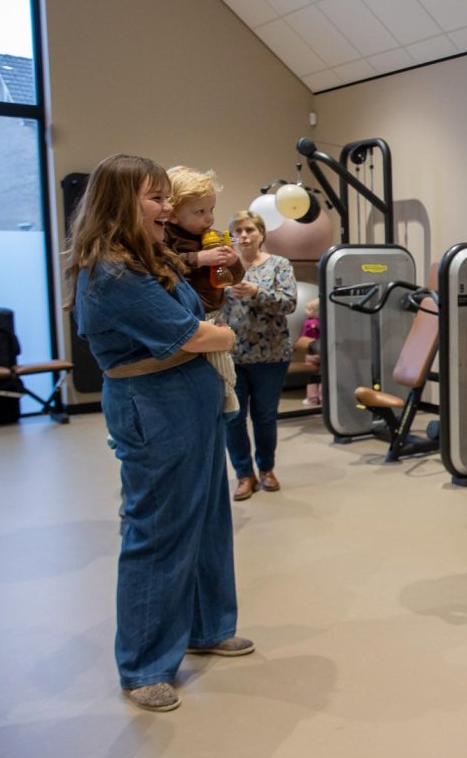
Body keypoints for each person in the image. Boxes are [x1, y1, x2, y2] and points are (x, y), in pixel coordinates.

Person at [65, 154, 252, 713]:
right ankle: (144, 663)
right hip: (155, 406)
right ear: (121, 202)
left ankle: (208, 625)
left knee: (208, 516)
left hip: (188, 402)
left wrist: (212, 325)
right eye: (155, 198)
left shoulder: (147, 258)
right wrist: (216, 335)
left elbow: (202, 313)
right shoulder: (112, 272)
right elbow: (196, 335)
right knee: (159, 530)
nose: (167, 208)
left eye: (166, 197)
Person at [222, 210, 297, 501]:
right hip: (231, 356)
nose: (244, 236)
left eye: (250, 229)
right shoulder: (222, 267)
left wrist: (257, 292)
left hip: (271, 355)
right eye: (238, 230)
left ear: (261, 233)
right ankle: (244, 474)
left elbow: (289, 303)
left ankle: (266, 469)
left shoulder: (279, 265)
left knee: (265, 417)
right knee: (233, 418)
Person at [165, 166, 245, 415]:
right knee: (215, 362)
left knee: (222, 360)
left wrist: (232, 261)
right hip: (186, 314)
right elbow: (165, 263)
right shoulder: (166, 237)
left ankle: (227, 395)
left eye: (211, 210)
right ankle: (229, 400)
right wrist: (198, 258)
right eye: (199, 212)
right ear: (173, 214)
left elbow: (235, 278)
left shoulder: (210, 236)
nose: (208, 218)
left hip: (211, 311)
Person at [299, 297, 322, 406]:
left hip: (311, 353)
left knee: (311, 376)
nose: (305, 311)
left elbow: (305, 339)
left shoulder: (309, 323)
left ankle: (312, 398)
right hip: (322, 353)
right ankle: (323, 397)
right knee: (323, 376)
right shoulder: (323, 322)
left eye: (308, 309)